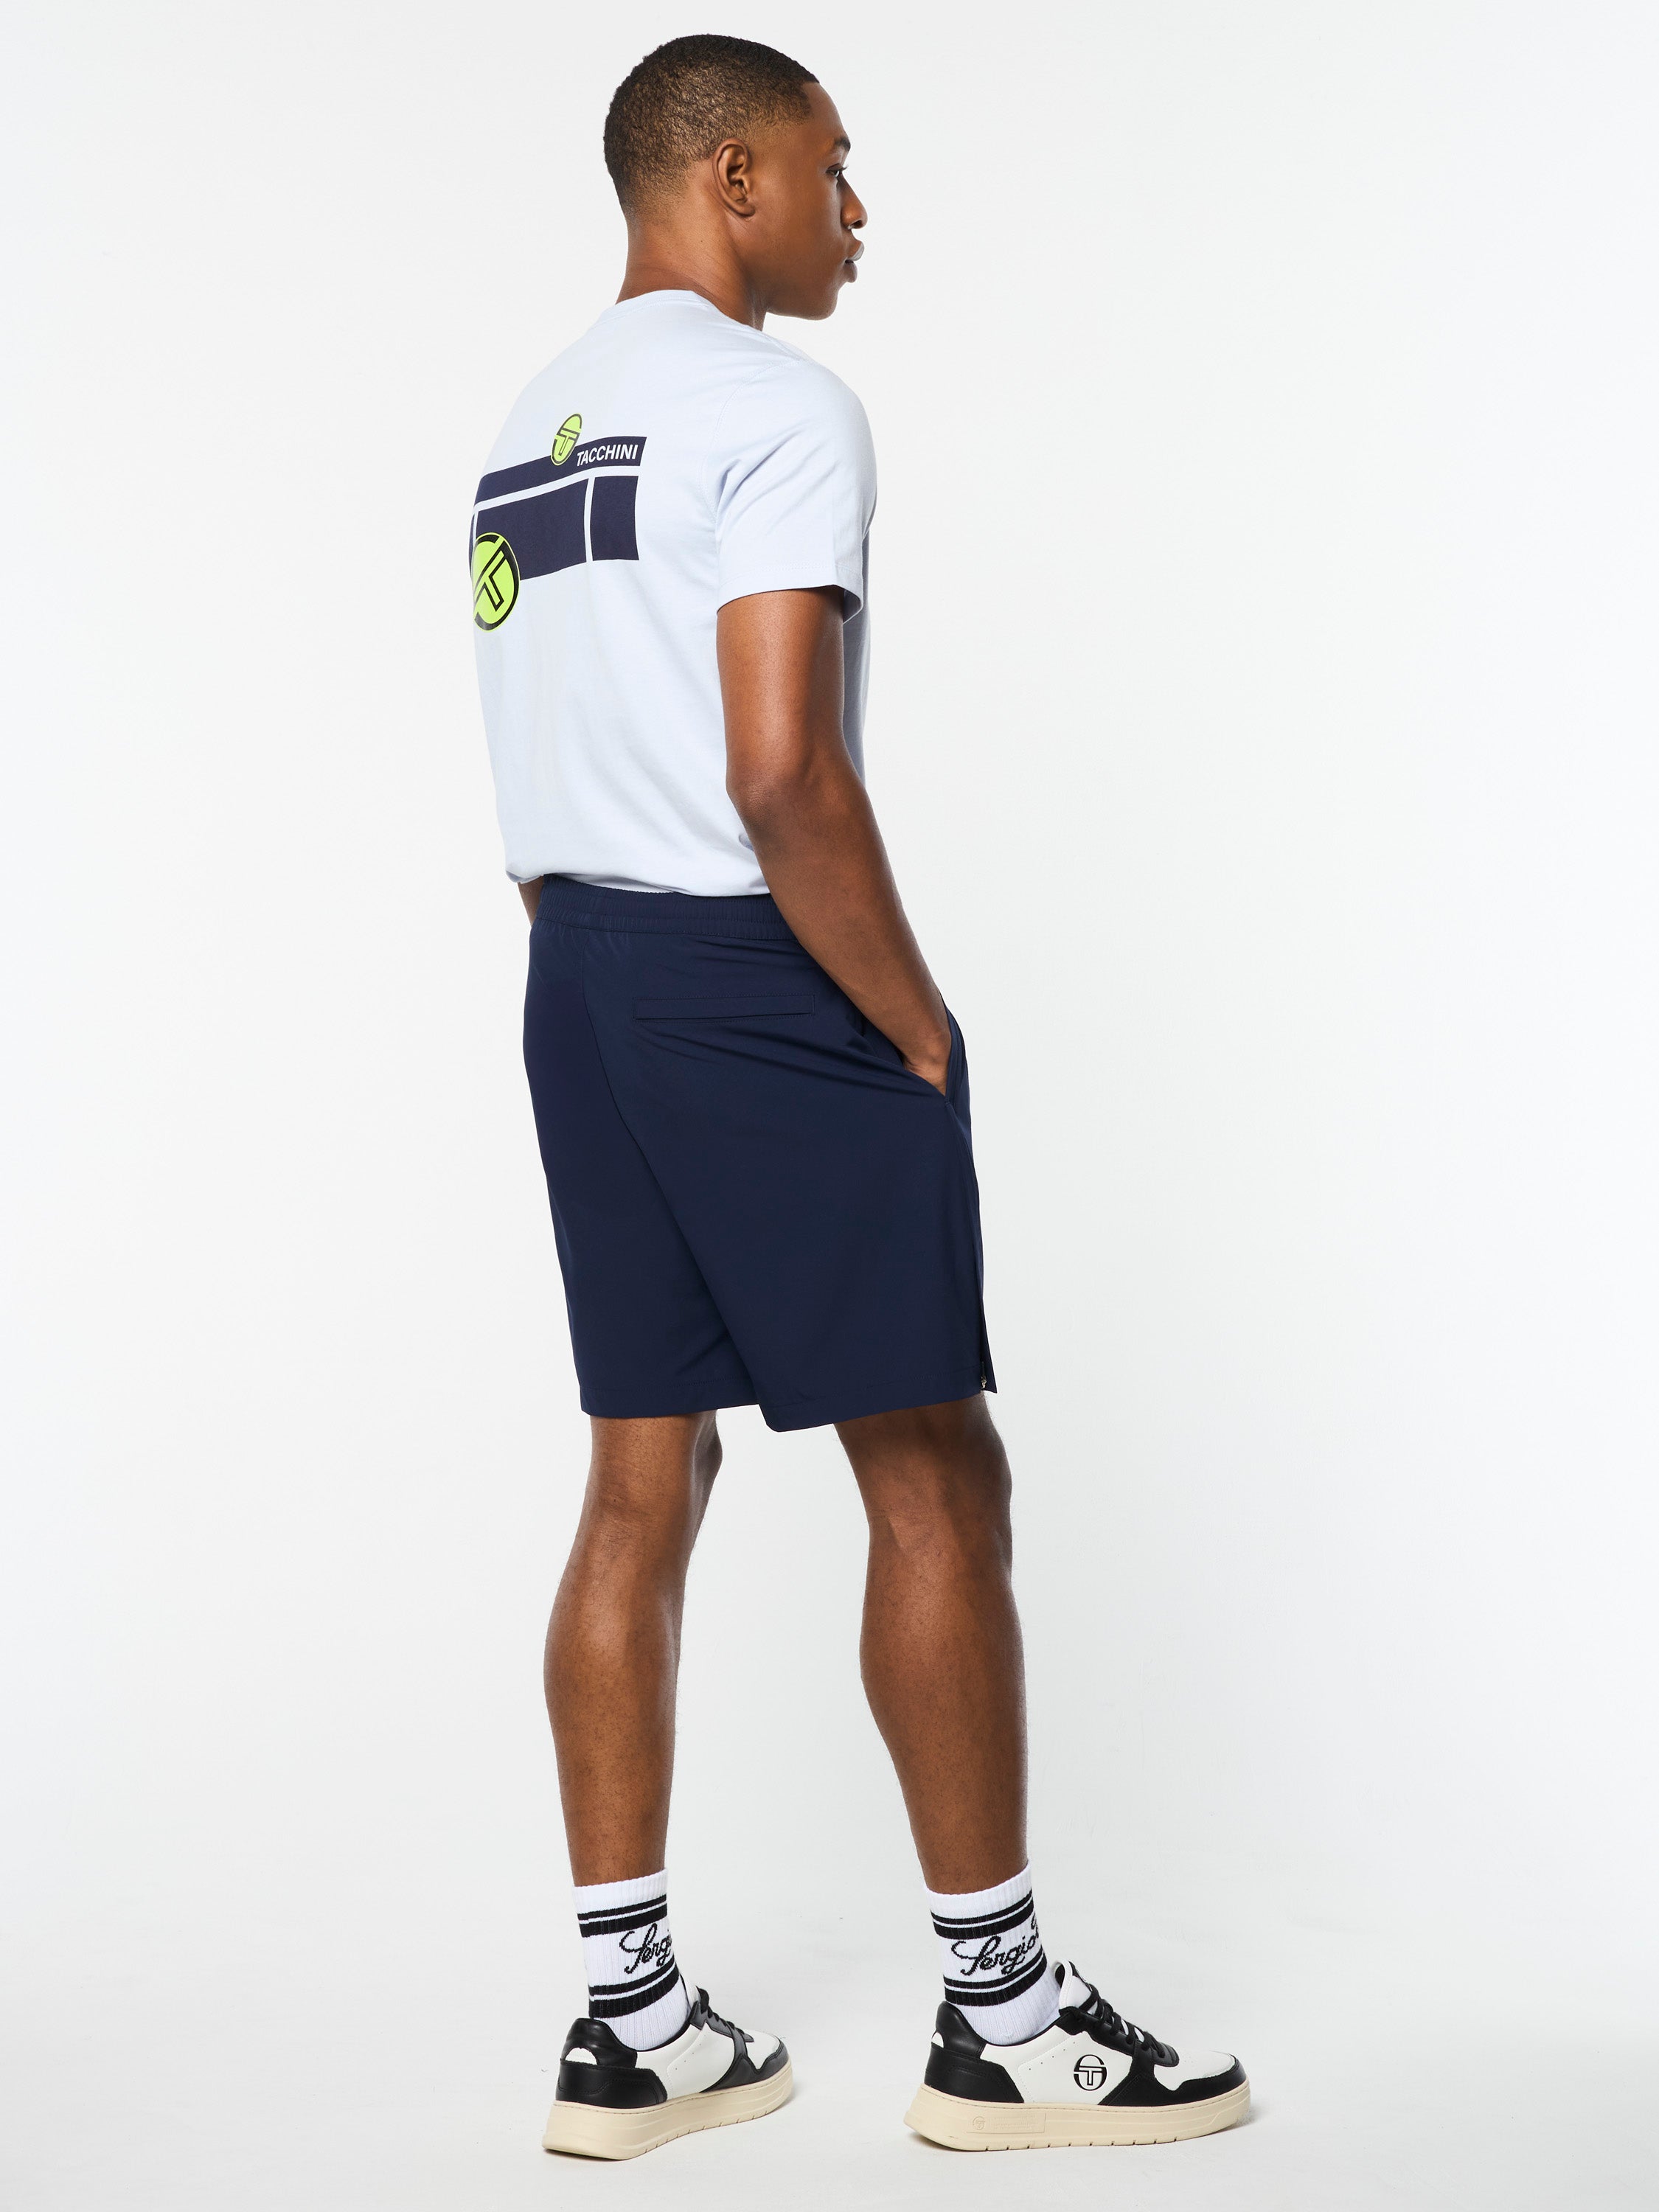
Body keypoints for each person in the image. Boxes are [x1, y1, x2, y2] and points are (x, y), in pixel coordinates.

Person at [468, 32, 1249, 2161]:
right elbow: (778, 765)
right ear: (730, 177)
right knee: (936, 1477)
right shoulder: (776, 405)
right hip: (750, 973)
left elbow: (543, 760)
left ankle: (632, 2025)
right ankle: (1005, 2024)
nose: (855, 206)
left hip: (579, 970)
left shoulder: (534, 420)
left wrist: (610, 946)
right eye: (829, 167)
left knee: (643, 1481)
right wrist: (909, 1021)